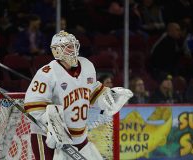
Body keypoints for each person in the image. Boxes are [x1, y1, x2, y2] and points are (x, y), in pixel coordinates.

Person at [23, 30, 133, 159]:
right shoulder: (47, 73)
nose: (73, 49)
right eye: (68, 47)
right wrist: (52, 126)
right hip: (48, 138)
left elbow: (92, 92)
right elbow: (32, 105)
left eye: (74, 45)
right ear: (57, 51)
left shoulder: (87, 66)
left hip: (79, 137)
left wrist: (106, 99)